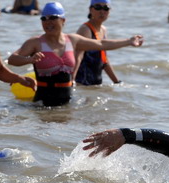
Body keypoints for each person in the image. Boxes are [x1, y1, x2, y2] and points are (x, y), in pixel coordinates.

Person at [8, 2, 143, 107]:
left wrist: (128, 41)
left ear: (63, 20)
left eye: (53, 18)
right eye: (44, 18)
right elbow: (12, 59)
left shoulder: (72, 40)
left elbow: (101, 44)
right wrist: (30, 60)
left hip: (68, 104)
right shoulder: (35, 42)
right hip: (42, 105)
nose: (48, 22)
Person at [74, 0, 121, 85]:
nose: (102, 11)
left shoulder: (103, 29)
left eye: (106, 8)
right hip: (82, 83)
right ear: (90, 10)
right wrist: (71, 80)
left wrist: (117, 82)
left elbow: (104, 60)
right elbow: (77, 57)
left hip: (95, 84)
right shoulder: (85, 30)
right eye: (98, 7)